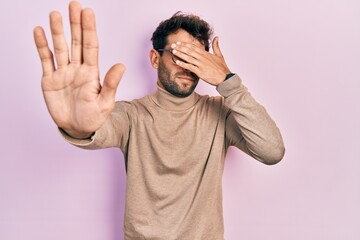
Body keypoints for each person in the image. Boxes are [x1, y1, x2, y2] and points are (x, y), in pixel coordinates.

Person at [33, 1, 285, 239]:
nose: (188, 67)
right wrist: (77, 127)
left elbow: (272, 151)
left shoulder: (222, 113)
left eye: (196, 58)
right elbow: (99, 128)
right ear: (155, 58)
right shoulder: (132, 115)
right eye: (179, 55)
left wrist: (228, 82)